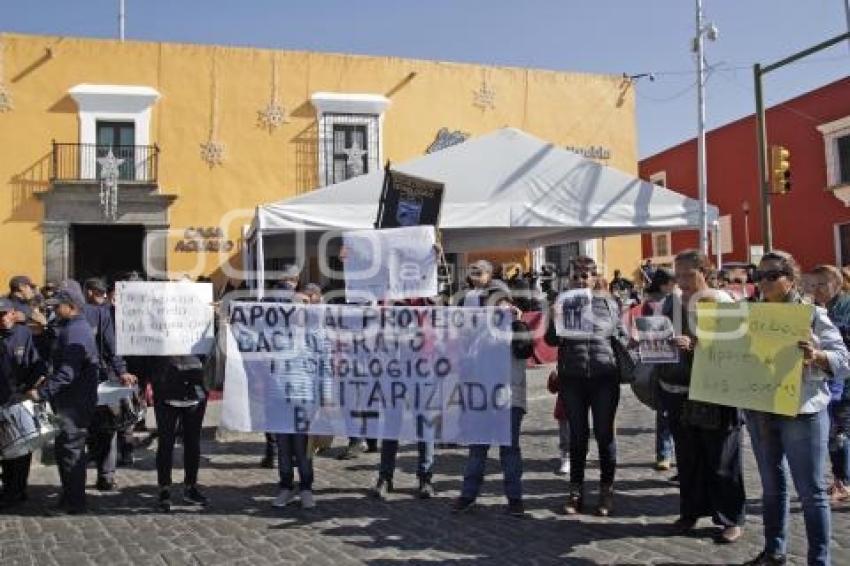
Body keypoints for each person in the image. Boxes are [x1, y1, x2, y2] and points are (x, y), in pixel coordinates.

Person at [743, 251, 850, 566]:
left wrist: (817, 356)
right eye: (758, 276)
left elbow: (843, 360)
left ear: (791, 277)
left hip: (801, 410)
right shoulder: (747, 315)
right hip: (761, 408)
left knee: (811, 491)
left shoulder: (811, 314)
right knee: (771, 487)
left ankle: (819, 560)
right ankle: (774, 551)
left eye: (772, 275)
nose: (763, 282)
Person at [657, 250, 745, 544]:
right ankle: (690, 512)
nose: (681, 281)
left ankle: (731, 518)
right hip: (678, 389)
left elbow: (735, 343)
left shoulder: (720, 300)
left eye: (687, 274)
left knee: (722, 457)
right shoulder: (670, 302)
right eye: (677, 275)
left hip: (716, 389)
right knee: (688, 458)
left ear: (703, 271)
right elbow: (660, 335)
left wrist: (694, 344)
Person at [544, 255, 630, 516]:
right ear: (569, 279)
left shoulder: (610, 302)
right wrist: (554, 317)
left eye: (586, 275)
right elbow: (550, 341)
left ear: (594, 277)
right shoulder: (561, 302)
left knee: (605, 435)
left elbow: (622, 336)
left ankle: (606, 491)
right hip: (573, 377)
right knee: (578, 437)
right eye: (576, 276)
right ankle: (575, 491)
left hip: (605, 375)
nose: (581, 280)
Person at [454, 284, 533, 516]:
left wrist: (518, 323)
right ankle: (468, 494)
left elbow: (524, 351)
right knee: (477, 449)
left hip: (509, 398)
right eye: (491, 302)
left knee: (509, 450)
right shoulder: (479, 331)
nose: (498, 306)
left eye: (502, 301)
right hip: (482, 398)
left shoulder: (519, 328)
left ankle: (514, 498)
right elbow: (467, 360)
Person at [25, 282, 99, 514]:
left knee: (70, 451)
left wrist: (42, 393)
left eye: (58, 306)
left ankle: (74, 503)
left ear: (71, 306)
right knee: (66, 450)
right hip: (71, 400)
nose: (55, 310)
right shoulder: (71, 326)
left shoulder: (75, 331)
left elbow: (67, 373)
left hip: (74, 403)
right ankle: (71, 497)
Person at [83, 277, 136, 491]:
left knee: (105, 428)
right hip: (90, 379)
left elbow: (111, 346)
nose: (103, 297)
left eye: (104, 293)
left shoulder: (100, 313)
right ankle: (104, 474)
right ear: (87, 291)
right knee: (104, 429)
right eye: (99, 293)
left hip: (99, 378)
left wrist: (121, 370)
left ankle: (104, 474)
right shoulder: (96, 312)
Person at [0, 298, 46, 508]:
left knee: (20, 448)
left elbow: (36, 365)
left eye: (6, 314)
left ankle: (17, 490)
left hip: (17, 398)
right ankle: (8, 487)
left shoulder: (23, 334)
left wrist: (30, 387)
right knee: (3, 447)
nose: (3, 319)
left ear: (14, 314)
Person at [810, 265, 850, 503]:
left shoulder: (844, 308)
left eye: (822, 284)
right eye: (813, 285)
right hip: (828, 378)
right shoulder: (818, 308)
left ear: (837, 284)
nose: (817, 290)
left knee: (838, 432)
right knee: (837, 430)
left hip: (843, 381)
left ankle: (842, 481)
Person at [149, 355, 209, 512]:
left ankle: (190, 486)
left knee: (193, 442)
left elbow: (213, 347)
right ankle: (164, 488)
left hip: (195, 387)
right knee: (166, 442)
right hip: (165, 387)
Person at [639, 268, 677, 472]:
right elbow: (649, 329)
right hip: (659, 359)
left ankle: (674, 453)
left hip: (677, 359)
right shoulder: (652, 304)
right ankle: (664, 453)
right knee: (663, 412)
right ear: (664, 284)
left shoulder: (680, 301)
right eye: (674, 282)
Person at [546, 368, 570, 475]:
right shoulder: (562, 363)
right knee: (565, 433)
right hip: (564, 406)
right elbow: (553, 388)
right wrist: (554, 377)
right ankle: (566, 457)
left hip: (581, 402)